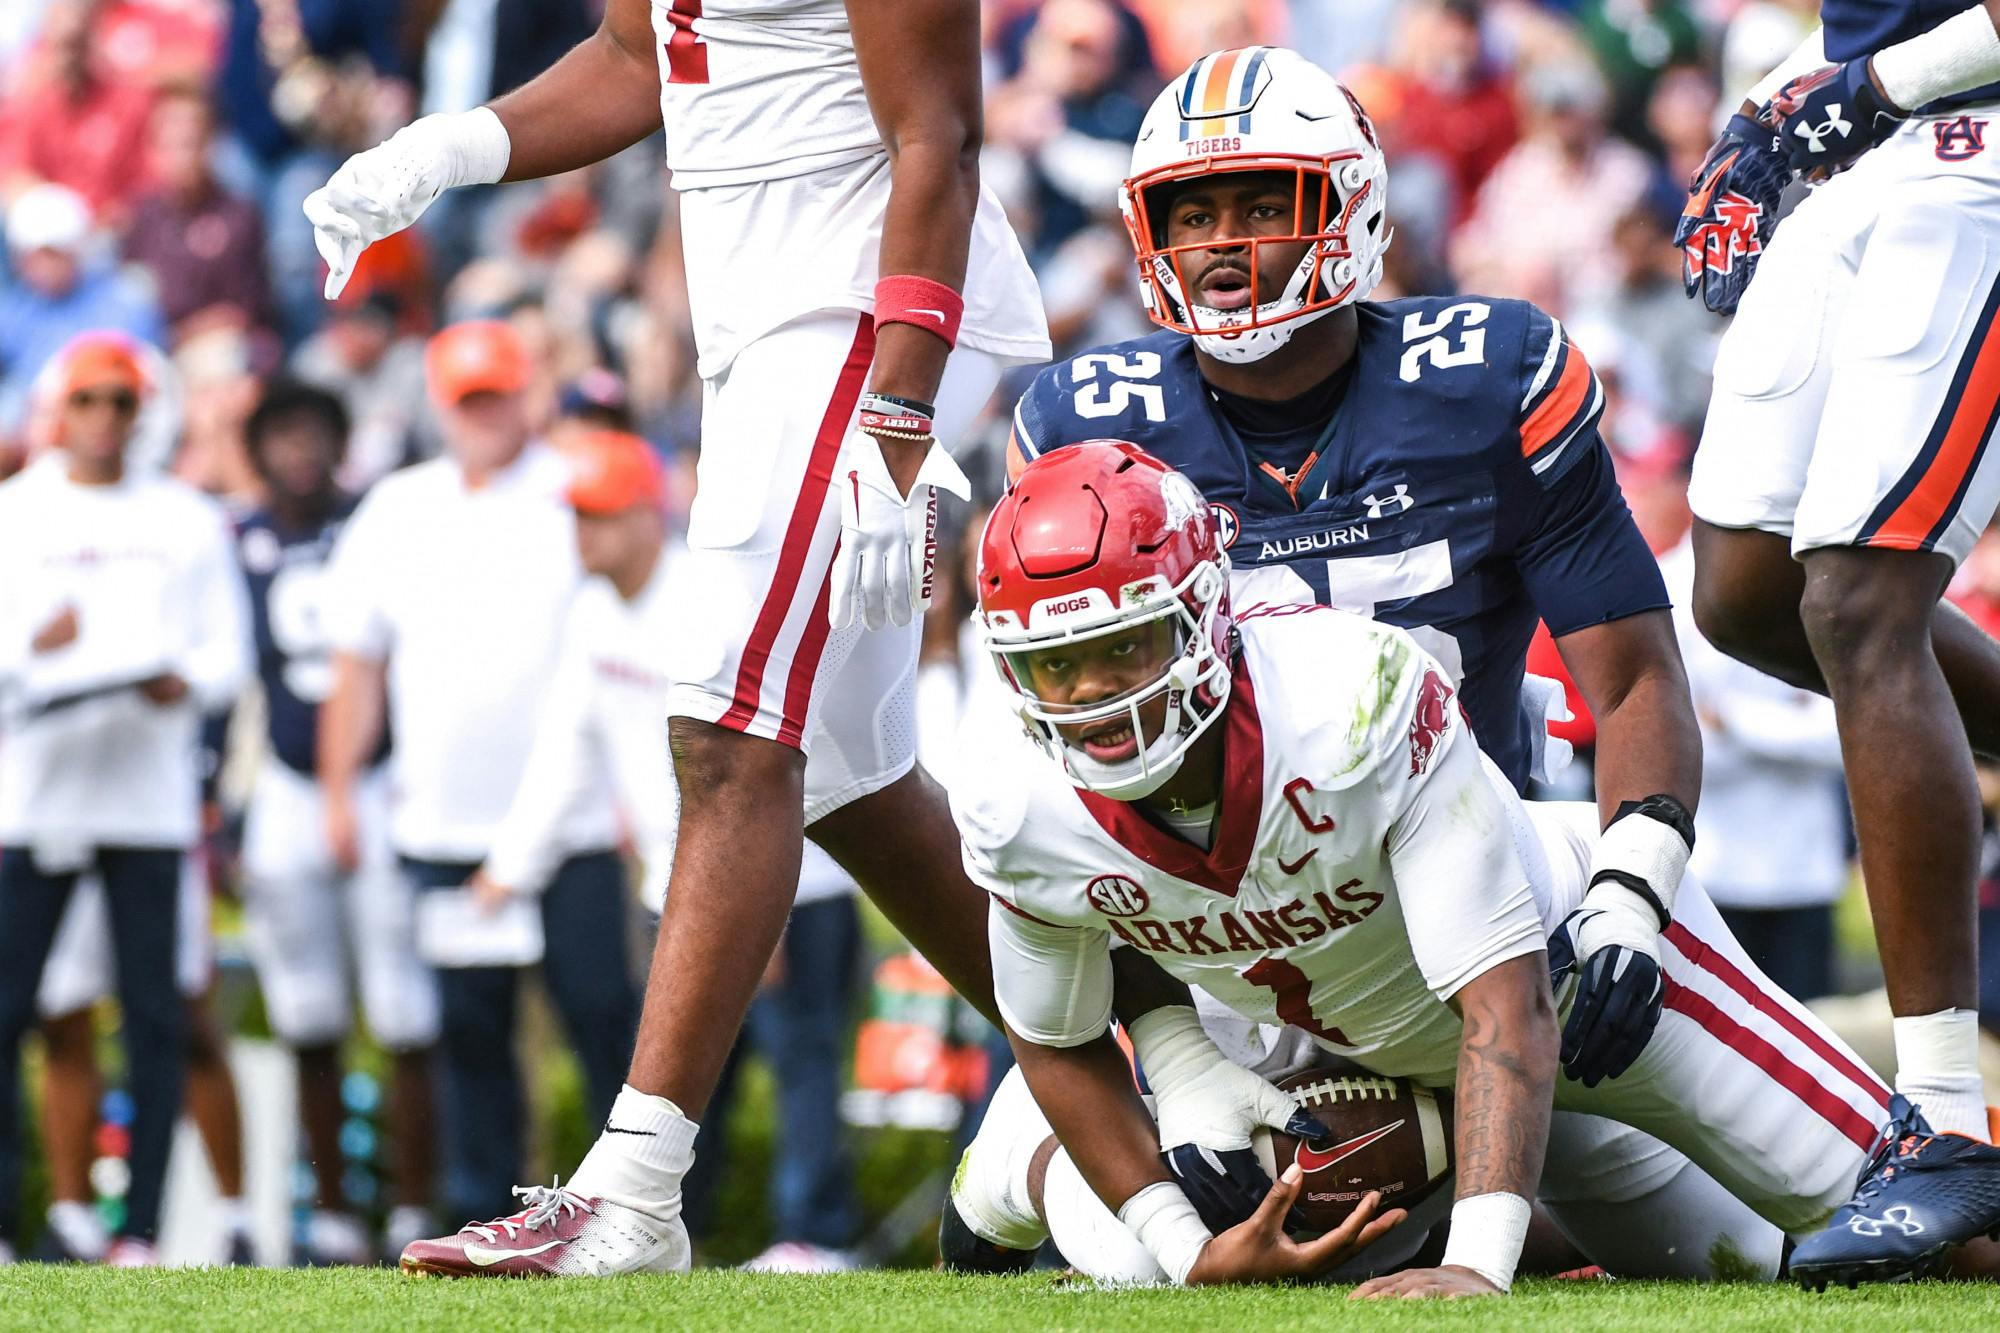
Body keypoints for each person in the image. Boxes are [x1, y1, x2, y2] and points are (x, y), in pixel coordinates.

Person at [303, 0, 1048, 1276]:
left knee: (728, 728)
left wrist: (900, 421)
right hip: (767, 327)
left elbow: (938, 135)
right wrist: (451, 145)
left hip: (863, 312)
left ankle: (634, 1190)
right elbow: (632, 57)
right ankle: (1163, 1082)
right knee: (855, 774)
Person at [1004, 45, 1702, 1226]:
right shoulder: (1089, 430)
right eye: (1192, 211)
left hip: (1476, 913)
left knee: (1730, 1236)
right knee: (1052, 1196)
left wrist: (1633, 888)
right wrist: (1170, 1055)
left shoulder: (1486, 379)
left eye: (1261, 203)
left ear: (1349, 202)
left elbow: (1630, 674)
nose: (1222, 241)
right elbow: (1075, 788)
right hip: (1225, 939)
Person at [950, 441, 1896, 1293]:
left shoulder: (1350, 704)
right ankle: (1015, 1160)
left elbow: (1506, 1000)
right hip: (1321, 1040)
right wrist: (1185, 1248)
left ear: (1203, 611)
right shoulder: (1012, 785)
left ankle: (1531, 1214)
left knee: (1878, 1235)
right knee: (1137, 1260)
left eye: (1122, 646)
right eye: (1052, 664)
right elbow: (1056, 1033)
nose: (1091, 696)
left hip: (1580, 988)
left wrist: (1474, 1268)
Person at [1674, 0, 2000, 1282]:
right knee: (1743, 595)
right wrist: (1780, 99)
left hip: (1975, 140)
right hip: (1879, 132)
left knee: (1858, 604)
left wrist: (1876, 84)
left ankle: (1944, 1128)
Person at [462, 429, 864, 1272]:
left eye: (602, 516)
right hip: (683, 886)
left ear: (650, 515)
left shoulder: (704, 603)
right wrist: (512, 866)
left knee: (802, 1058)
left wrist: (773, 905)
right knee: (691, 1071)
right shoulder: (593, 613)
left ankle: (815, 1234)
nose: (586, 535)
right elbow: (566, 752)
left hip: (793, 881)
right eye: (578, 517)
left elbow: (767, 761)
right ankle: (684, 1229)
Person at [317, 319, 635, 1232]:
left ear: (528, 393)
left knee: (600, 1019)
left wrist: (628, 793)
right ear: (442, 406)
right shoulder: (398, 507)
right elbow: (356, 664)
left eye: (498, 394)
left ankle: (616, 1215)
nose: (485, 415)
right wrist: (340, 791)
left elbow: (622, 641)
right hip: (444, 823)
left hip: (567, 824)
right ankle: (483, 1215)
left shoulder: (574, 493)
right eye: (469, 400)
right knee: (468, 1032)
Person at [0, 332, 252, 1266]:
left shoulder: (186, 517)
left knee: (156, 1014)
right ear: (58, 409)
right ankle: (21, 1221)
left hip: (148, 801)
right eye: (88, 400)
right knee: (15, 1010)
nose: (104, 419)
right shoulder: (16, 513)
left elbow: (227, 657)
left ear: (144, 411)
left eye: (121, 401)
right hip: (38, 798)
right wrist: (41, 650)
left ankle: (138, 1229)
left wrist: (179, 682)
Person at [233, 377, 440, 1265]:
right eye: (281, 433)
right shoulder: (235, 539)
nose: (298, 450)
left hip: (381, 776)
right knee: (307, 1010)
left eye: (313, 430)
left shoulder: (379, 524)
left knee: (404, 1009)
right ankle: (331, 1207)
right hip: (283, 782)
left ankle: (416, 1203)